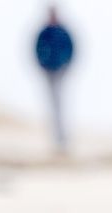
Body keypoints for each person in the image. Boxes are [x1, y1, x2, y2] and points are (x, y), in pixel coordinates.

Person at [35, 6, 75, 152]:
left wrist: (66, 66)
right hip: (48, 72)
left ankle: (63, 139)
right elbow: (37, 49)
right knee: (51, 104)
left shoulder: (62, 32)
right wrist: (42, 65)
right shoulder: (45, 32)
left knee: (61, 104)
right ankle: (54, 138)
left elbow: (70, 49)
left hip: (60, 72)